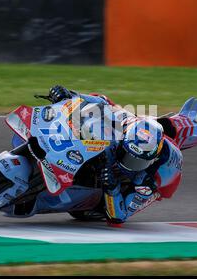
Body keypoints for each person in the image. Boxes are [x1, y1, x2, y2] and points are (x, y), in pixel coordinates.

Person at [47, 85, 170, 226]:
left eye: (138, 162)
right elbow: (101, 100)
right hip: (122, 133)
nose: (128, 164)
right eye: (127, 156)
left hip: (127, 185)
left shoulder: (147, 181)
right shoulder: (121, 123)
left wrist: (112, 187)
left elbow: (119, 218)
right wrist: (68, 95)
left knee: (88, 211)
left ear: (151, 160)